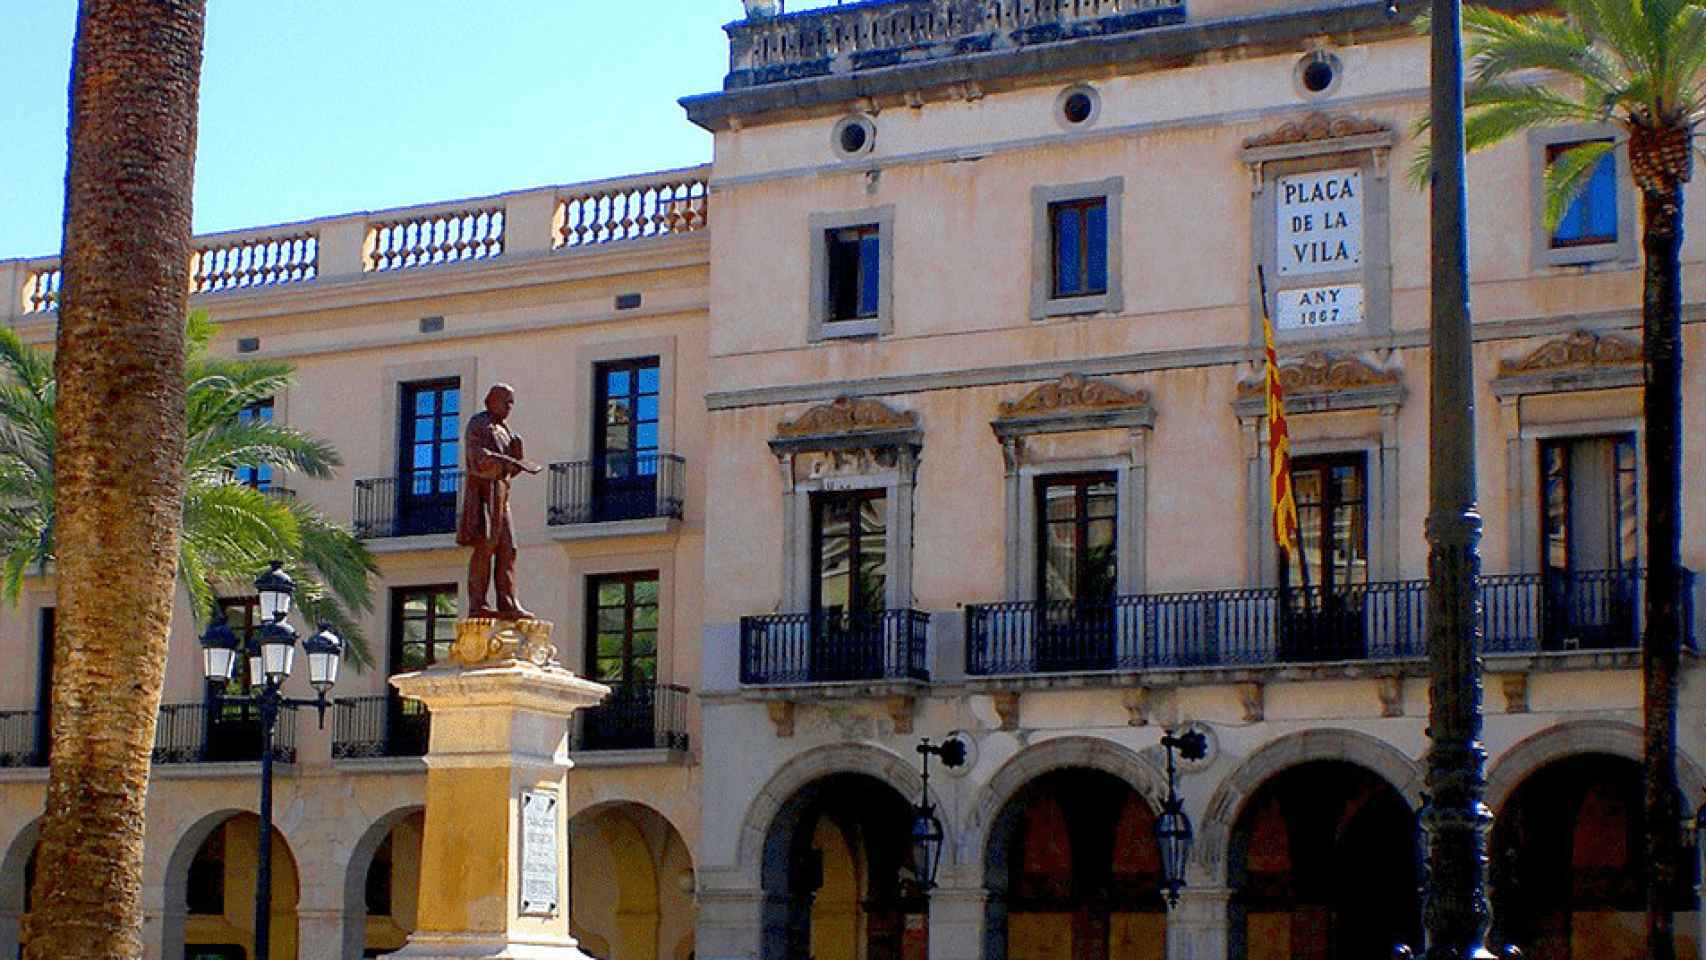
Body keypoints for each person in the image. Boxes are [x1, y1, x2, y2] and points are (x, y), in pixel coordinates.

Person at [458, 383, 536, 619]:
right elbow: (478, 458)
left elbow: (509, 470)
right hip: (483, 493)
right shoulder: (479, 424)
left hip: (501, 494)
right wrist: (507, 460)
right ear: (491, 400)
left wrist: (517, 459)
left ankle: (507, 601)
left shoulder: (506, 430)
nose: (509, 407)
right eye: (506, 401)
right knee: (485, 546)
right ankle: (478, 604)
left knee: (509, 548)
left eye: (512, 402)